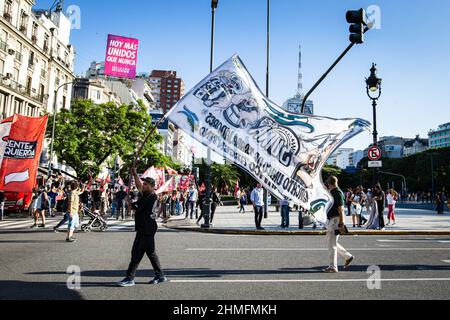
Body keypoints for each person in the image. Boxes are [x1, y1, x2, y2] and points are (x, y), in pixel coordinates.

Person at [117, 167, 167, 287]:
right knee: (151, 252)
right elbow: (138, 186)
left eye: (145, 184)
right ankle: (160, 275)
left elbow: (137, 208)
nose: (143, 186)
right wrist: (134, 174)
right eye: (143, 184)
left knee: (136, 253)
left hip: (146, 228)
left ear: (151, 186)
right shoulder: (146, 194)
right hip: (145, 227)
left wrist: (129, 202)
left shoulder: (151, 197)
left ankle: (130, 278)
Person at [323, 176, 354, 273]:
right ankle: (348, 256)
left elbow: (341, 209)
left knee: (331, 244)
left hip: (335, 220)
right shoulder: (334, 192)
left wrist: (342, 222)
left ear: (329, 184)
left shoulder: (337, 193)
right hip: (332, 220)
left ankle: (333, 267)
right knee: (332, 242)